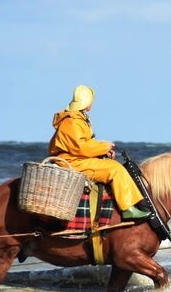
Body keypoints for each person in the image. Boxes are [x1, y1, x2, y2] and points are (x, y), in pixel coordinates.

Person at [48, 85, 151, 220]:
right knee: (115, 169)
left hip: (77, 159)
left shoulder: (77, 119)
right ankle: (127, 208)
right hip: (73, 162)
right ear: (86, 102)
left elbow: (83, 144)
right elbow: (81, 147)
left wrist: (103, 151)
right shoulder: (72, 121)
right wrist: (104, 147)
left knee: (109, 163)